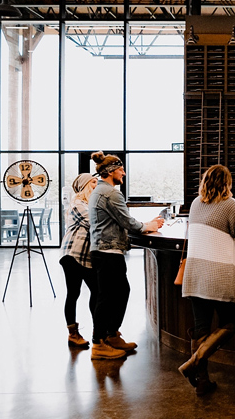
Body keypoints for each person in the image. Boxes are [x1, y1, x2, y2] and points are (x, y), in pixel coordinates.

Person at [178, 165, 235, 396]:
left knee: (201, 328)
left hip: (195, 272)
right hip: (218, 274)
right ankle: (192, 363)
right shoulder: (230, 204)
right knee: (229, 325)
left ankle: (201, 380)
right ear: (227, 183)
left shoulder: (196, 204)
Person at [88, 151, 164, 360]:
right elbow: (128, 222)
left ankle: (111, 335)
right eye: (121, 169)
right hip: (108, 252)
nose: (124, 173)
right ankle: (98, 344)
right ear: (111, 171)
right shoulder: (111, 193)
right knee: (111, 296)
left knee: (116, 293)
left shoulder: (99, 190)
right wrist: (149, 225)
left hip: (103, 251)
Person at [59, 173, 99, 349]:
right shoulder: (78, 204)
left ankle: (98, 330)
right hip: (73, 254)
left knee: (96, 292)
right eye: (93, 183)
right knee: (74, 293)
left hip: (85, 254)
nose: (96, 186)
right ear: (84, 186)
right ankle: (73, 334)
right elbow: (95, 224)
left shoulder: (90, 204)